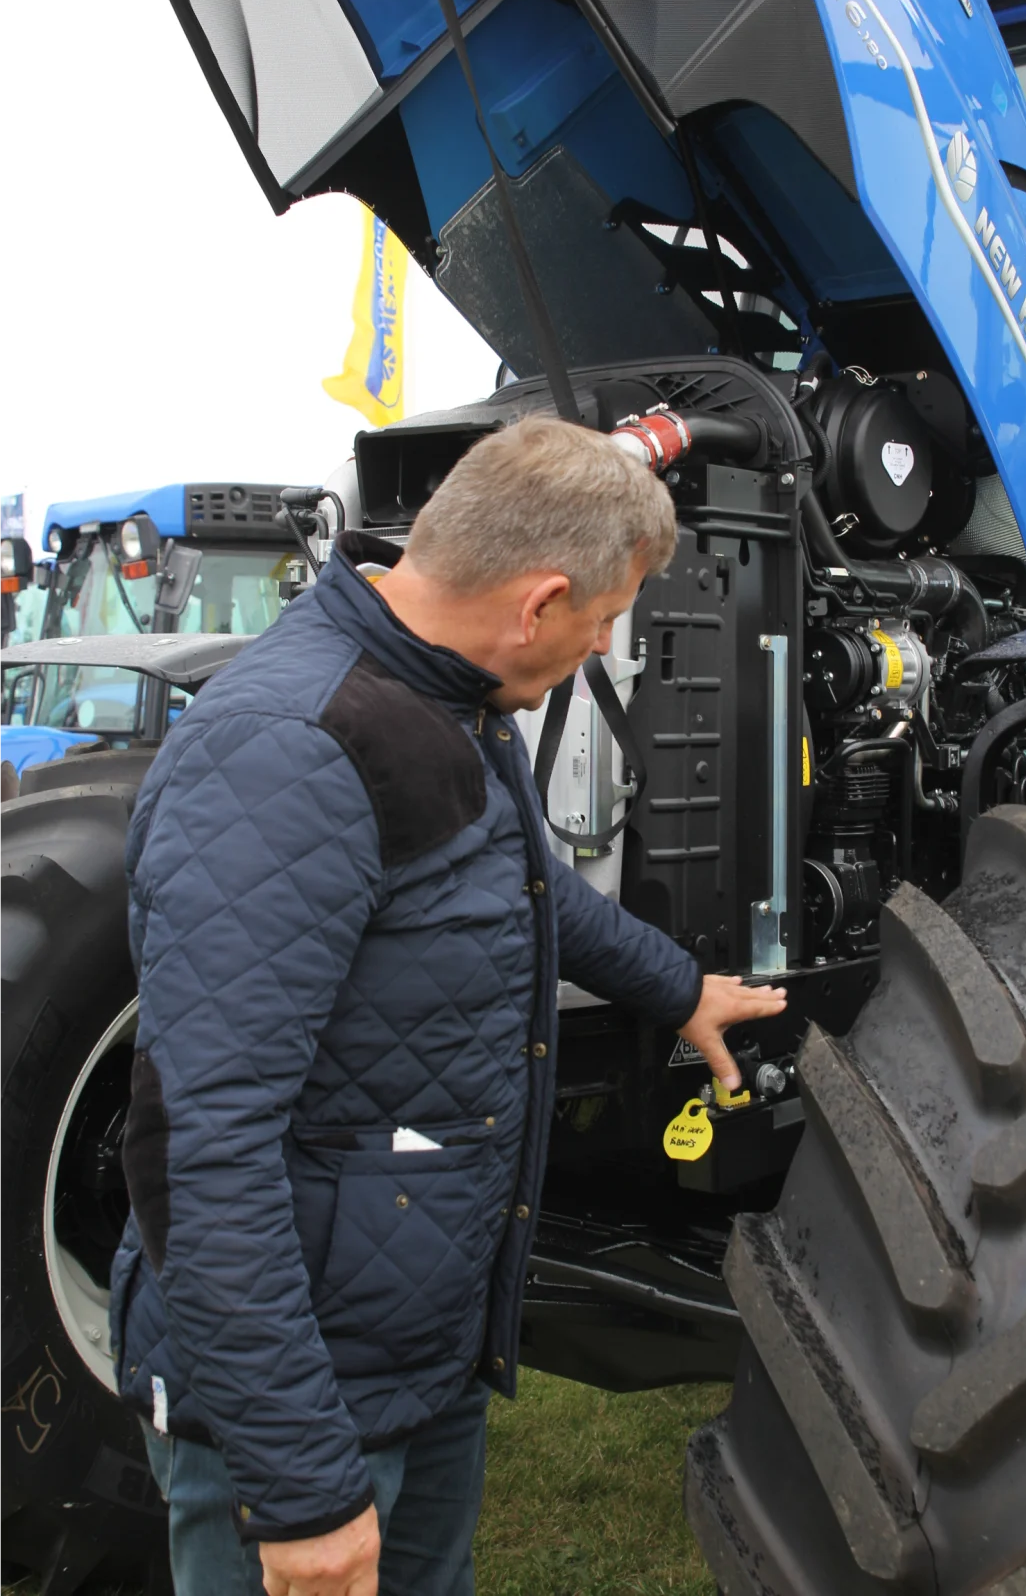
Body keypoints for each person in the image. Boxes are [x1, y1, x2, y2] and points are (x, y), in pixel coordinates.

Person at [110, 415, 786, 1596]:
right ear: (537, 604)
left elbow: (515, 895)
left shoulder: (448, 698)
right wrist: (306, 1487)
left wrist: (677, 989)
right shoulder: (290, 750)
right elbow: (202, 1146)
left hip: (416, 1358)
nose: (605, 643)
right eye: (606, 615)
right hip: (303, 1408)